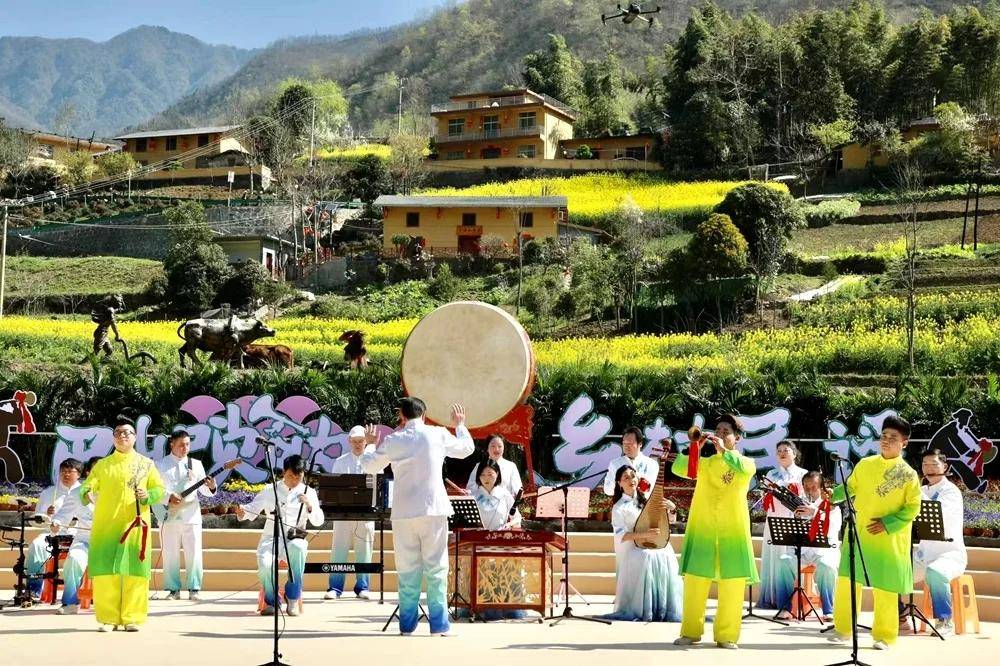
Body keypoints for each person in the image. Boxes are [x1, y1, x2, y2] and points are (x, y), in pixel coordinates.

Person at [361, 398, 474, 636]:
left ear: (401, 416)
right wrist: (460, 424)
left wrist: (370, 444)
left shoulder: (393, 440)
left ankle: (407, 625)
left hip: (404, 512)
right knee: (436, 567)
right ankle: (439, 625)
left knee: (407, 569)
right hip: (433, 509)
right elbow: (466, 449)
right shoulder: (437, 434)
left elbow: (369, 467)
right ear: (424, 415)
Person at [829, 415, 921, 650]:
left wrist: (888, 523)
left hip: (888, 538)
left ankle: (884, 636)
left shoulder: (908, 474)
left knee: (886, 588)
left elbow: (913, 507)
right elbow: (849, 487)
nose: (886, 441)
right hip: (859, 533)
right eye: (884, 436)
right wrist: (831, 495)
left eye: (893, 437)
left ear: (904, 443)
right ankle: (843, 629)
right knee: (848, 581)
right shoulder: (865, 464)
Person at [672, 414, 757, 650]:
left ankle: (726, 635)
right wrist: (695, 448)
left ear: (737, 438)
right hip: (704, 528)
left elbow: (742, 469)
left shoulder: (746, 463)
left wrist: (724, 451)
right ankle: (690, 631)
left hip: (733, 531)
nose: (719, 434)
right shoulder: (706, 463)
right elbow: (679, 469)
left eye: (725, 432)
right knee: (695, 581)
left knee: (733, 584)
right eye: (717, 430)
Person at [79, 417, 165, 632]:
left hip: (135, 526)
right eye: (118, 433)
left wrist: (148, 495)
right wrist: (87, 493)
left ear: (135, 437)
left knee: (134, 571)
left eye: (127, 432)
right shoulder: (103, 465)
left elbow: (159, 489)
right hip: (106, 527)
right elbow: (87, 486)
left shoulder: (146, 464)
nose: (122, 436)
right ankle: (108, 619)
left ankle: (132, 618)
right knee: (106, 572)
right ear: (113, 438)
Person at [237, 454, 324, 617]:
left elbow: (319, 521)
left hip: (295, 537)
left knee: (299, 549)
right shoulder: (270, 490)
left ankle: (292, 597)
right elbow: (252, 509)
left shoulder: (309, 492)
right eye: (291, 476)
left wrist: (309, 505)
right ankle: (272, 600)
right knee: (265, 564)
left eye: (298, 477)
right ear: (284, 472)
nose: (295, 480)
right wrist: (243, 512)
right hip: (272, 537)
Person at [606, 465, 683, 622]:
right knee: (646, 555)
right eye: (626, 477)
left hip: (654, 543)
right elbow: (621, 536)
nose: (631, 480)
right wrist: (644, 535)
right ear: (619, 483)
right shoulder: (618, 507)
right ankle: (645, 609)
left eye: (633, 476)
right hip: (633, 549)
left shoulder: (646, 500)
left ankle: (663, 607)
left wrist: (672, 509)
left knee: (666, 552)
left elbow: (667, 522)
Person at [908, 448, 967, 635]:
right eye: (925, 464)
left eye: (934, 464)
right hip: (923, 555)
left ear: (945, 467)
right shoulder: (923, 490)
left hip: (950, 555)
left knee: (935, 572)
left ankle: (944, 620)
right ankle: (900, 616)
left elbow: (936, 512)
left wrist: (914, 491)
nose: (929, 468)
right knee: (894, 570)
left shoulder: (951, 492)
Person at [154, 429, 216, 601]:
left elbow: (204, 490)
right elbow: (155, 489)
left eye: (188, 444)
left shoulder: (196, 464)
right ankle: (173, 589)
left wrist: (211, 486)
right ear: (172, 444)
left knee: (194, 552)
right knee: (170, 553)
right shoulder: (160, 464)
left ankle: (194, 588)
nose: (185, 448)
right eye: (181, 445)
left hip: (191, 514)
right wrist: (168, 497)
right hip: (168, 514)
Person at [777, 471, 841, 621]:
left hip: (824, 551)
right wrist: (796, 517)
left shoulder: (832, 504)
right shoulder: (799, 504)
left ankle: (829, 610)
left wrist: (815, 512)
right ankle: (785, 608)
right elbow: (790, 530)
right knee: (783, 561)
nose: (810, 491)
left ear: (821, 487)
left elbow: (834, 527)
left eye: (814, 487)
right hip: (802, 550)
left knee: (827, 566)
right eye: (807, 487)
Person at [325, 425, 376, 600]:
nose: (358, 444)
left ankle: (363, 587)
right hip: (343, 515)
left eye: (361, 441)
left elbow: (378, 486)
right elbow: (333, 489)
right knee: (339, 551)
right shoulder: (340, 461)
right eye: (355, 441)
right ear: (349, 441)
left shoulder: (373, 460)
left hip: (366, 514)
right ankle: (335, 587)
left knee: (365, 551)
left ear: (366, 441)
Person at [758, 441, 808, 610]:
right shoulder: (771, 474)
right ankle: (772, 596)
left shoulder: (803, 473)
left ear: (794, 453)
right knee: (773, 555)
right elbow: (766, 497)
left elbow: (807, 497)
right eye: (779, 450)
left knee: (790, 556)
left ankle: (793, 600)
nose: (782, 453)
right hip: (775, 517)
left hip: (794, 518)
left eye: (786, 450)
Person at [26, 458, 83, 599]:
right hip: (52, 534)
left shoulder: (84, 492)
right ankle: (33, 589)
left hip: (78, 535)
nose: (66, 474)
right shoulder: (49, 493)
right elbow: (37, 519)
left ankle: (77, 593)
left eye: (70, 471)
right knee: (36, 545)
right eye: (63, 471)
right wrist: (46, 514)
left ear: (79, 474)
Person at [49, 457, 99, 614]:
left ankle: (114, 605)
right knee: (74, 558)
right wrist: (56, 522)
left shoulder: (116, 491)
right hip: (85, 539)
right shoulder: (77, 492)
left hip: (110, 540)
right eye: (96, 470)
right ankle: (70, 603)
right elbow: (63, 514)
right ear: (88, 473)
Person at [602, 426, 658, 496]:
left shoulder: (652, 464)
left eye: (630, 443)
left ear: (640, 444)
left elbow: (653, 490)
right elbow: (608, 490)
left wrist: (637, 480)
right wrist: (621, 481)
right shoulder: (615, 463)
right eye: (624, 443)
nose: (626, 446)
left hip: (645, 502)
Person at [471, 459, 521, 531]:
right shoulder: (474, 495)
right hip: (478, 536)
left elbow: (517, 517)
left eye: (490, 474)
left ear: (497, 474)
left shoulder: (505, 494)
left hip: (500, 535)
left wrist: (509, 524)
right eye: (482, 474)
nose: (486, 478)